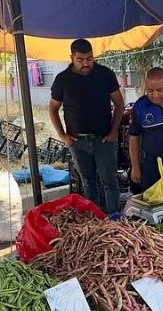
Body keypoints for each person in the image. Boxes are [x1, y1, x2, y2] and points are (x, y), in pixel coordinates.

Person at [49, 39, 126, 213]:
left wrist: (114, 132)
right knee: (88, 183)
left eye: (89, 58)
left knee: (110, 182)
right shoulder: (62, 79)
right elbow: (53, 108)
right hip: (77, 142)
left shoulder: (105, 74)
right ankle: (95, 221)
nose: (86, 63)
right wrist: (63, 136)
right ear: (72, 58)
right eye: (81, 59)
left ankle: (115, 220)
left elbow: (120, 104)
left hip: (104, 140)